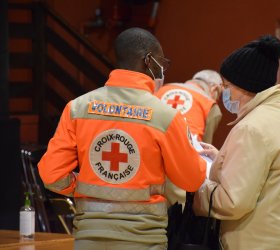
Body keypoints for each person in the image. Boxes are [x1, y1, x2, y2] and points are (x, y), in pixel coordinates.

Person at [38, 27, 206, 250]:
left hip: (89, 238)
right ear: (148, 61)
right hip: (144, 239)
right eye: (161, 62)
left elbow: (51, 174)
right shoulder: (165, 116)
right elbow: (191, 180)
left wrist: (85, 187)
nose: (162, 69)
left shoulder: (77, 108)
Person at [193, 35, 280, 249]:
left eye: (228, 85)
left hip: (259, 241)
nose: (225, 93)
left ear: (246, 86)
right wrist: (222, 157)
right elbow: (267, 173)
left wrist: (195, 187)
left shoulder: (252, 127)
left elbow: (233, 201)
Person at [155, 69, 222, 144]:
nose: (217, 99)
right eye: (218, 95)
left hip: (150, 142)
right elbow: (206, 148)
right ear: (214, 89)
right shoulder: (210, 104)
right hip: (181, 150)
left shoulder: (162, 89)